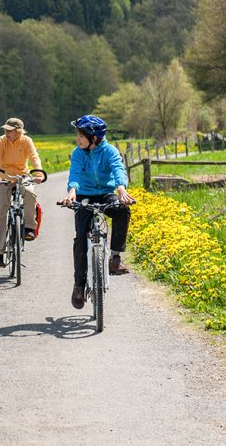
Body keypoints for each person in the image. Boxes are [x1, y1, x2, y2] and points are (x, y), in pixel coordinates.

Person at [59, 115, 135, 310]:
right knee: (79, 240)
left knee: (122, 210)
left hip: (106, 193)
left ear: (93, 138)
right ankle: (79, 285)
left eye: (81, 136)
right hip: (84, 194)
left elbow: (118, 169)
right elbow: (75, 173)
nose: (78, 139)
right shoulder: (78, 153)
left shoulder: (109, 151)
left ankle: (115, 257)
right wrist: (72, 191)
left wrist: (121, 189)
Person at [0, 117, 44, 268]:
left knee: (30, 193)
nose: (6, 132)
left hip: (22, 176)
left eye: (10, 130)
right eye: (5, 129)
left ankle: (29, 228)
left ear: (19, 131)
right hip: (4, 177)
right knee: (0, 211)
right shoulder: (1, 141)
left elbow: (34, 157)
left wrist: (38, 173)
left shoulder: (26, 141)